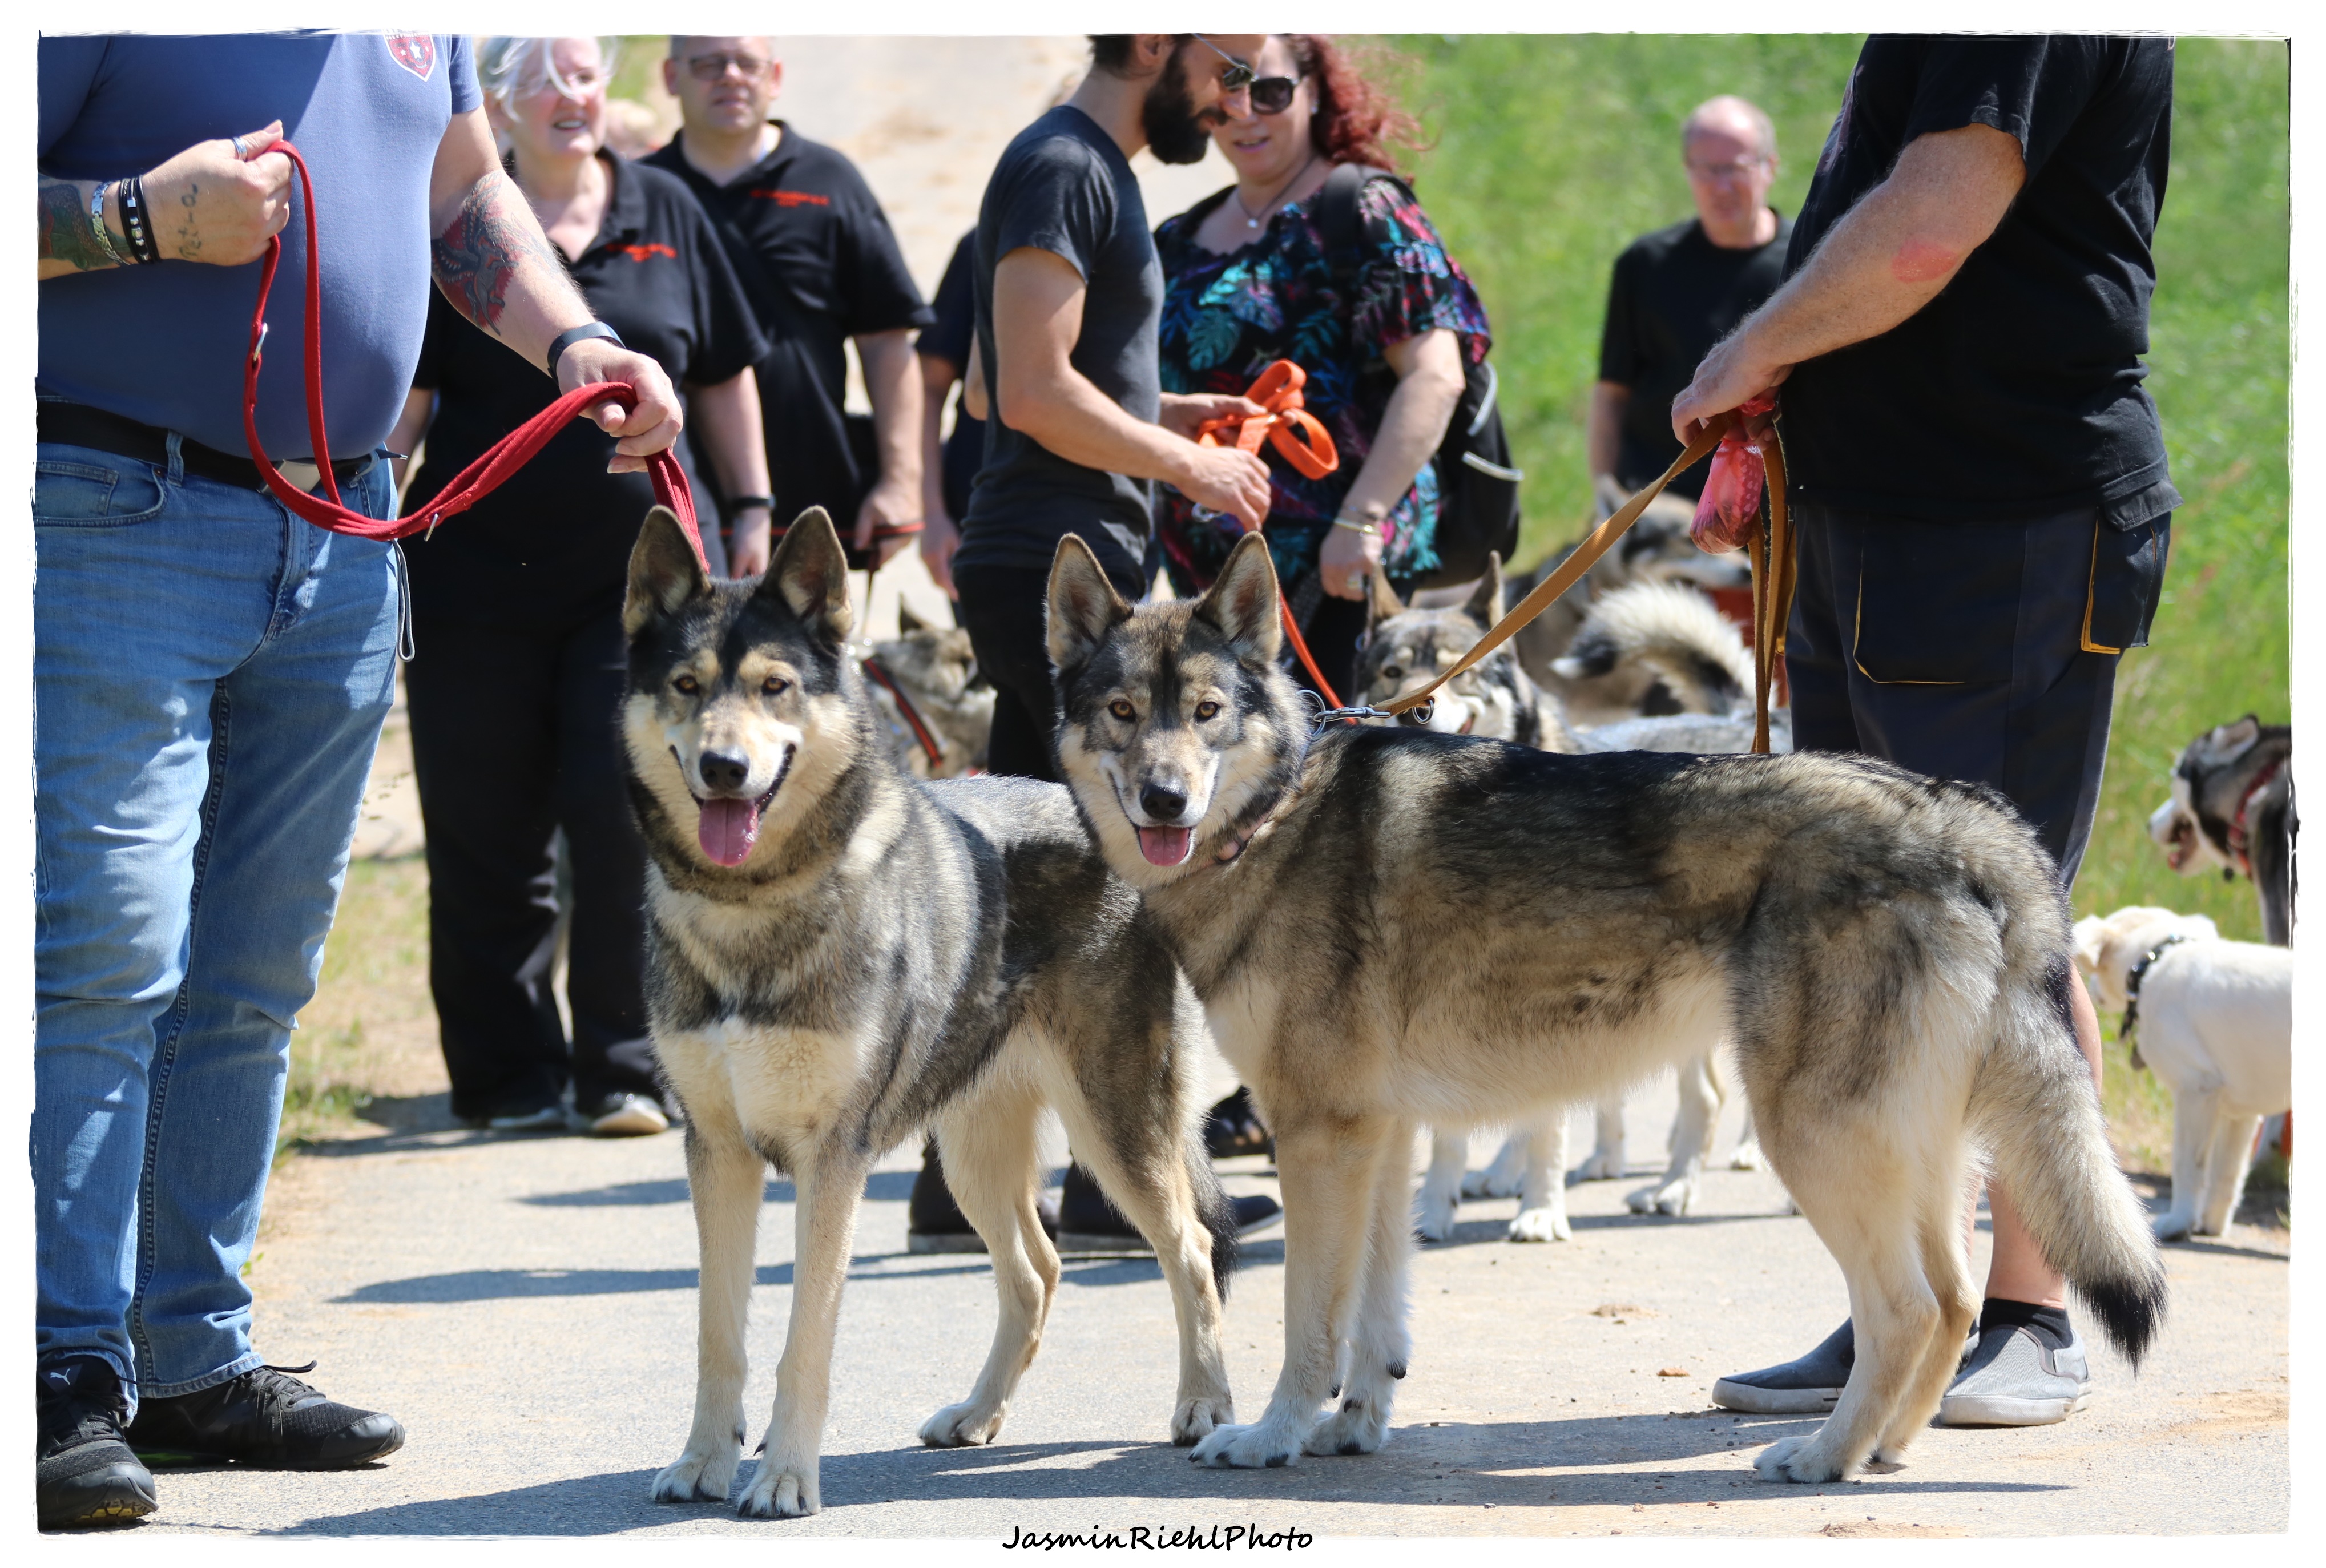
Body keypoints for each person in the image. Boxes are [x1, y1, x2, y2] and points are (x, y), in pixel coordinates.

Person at [35, 32, 685, 1529]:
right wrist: (135, 220)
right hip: (112, 504)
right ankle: (61, 1367)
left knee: (253, 970)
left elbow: (464, 197)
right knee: (103, 951)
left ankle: (190, 1356)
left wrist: (574, 340)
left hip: (340, 535)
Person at [1671, 34, 2178, 1428]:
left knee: (1993, 915)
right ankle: (1901, 1306)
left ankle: (2023, 1312)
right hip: (1871, 518)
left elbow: (1929, 227)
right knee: (1868, 926)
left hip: (1995, 522)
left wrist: (1753, 342)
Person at [907, 34, 1282, 1252]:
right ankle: (1119, 1186)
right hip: (1049, 568)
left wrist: (1173, 416)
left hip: (1067, 555)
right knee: (1112, 882)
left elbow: (1031, 383)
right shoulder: (1064, 165)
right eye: (1224, 68)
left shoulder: (1091, 170)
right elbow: (1020, 394)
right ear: (1156, 38)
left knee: (1022, 885)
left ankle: (958, 1182)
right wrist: (1194, 466)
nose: (1231, 100)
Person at [386, 36, 773, 1139]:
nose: (571, 96)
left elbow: (725, 369)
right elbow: (408, 405)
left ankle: (623, 1067)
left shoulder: (665, 205)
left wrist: (748, 513)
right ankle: (505, 1076)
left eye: (587, 74)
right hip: (472, 588)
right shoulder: (457, 236)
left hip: (640, 602)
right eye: (543, 79)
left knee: (627, 823)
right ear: (495, 105)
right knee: (482, 830)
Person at [1152, 31, 1489, 704]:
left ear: (1313, 91)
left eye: (1270, 91)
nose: (1246, 112)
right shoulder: (1178, 239)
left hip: (1339, 568)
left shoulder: (1362, 209)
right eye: (1227, 91)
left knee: (1331, 775)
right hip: (1208, 583)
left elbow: (1436, 373)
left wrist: (1360, 520)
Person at [644, 35, 926, 569]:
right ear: (670, 77)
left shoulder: (830, 182)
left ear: (774, 78)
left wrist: (899, 482)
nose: (730, 76)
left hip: (814, 499)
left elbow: (888, 343)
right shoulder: (643, 192)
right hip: (675, 499)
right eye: (708, 64)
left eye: (747, 63)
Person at [1591, 95, 1791, 503]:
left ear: (1769, 167)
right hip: (1664, 503)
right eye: (1706, 169)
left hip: (1778, 503)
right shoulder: (1645, 264)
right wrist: (1603, 492)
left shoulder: (1810, 263)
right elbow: (1612, 393)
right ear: (1687, 172)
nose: (1721, 186)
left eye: (1736, 168)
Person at [915, 228, 980, 604]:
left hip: (1109, 518)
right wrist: (932, 515)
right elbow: (926, 387)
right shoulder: (982, 245)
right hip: (978, 520)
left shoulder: (1133, 240)